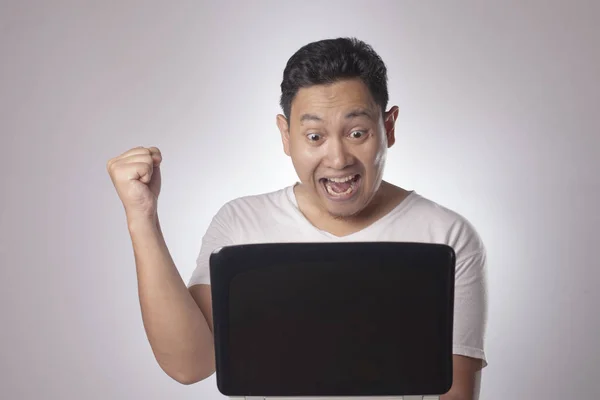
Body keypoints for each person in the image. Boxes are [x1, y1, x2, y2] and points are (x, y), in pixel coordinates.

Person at [107, 37, 488, 399]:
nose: (338, 159)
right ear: (286, 135)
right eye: (314, 137)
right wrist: (142, 218)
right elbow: (190, 365)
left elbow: (455, 392)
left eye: (357, 132)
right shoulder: (241, 223)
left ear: (387, 127)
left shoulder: (447, 235)